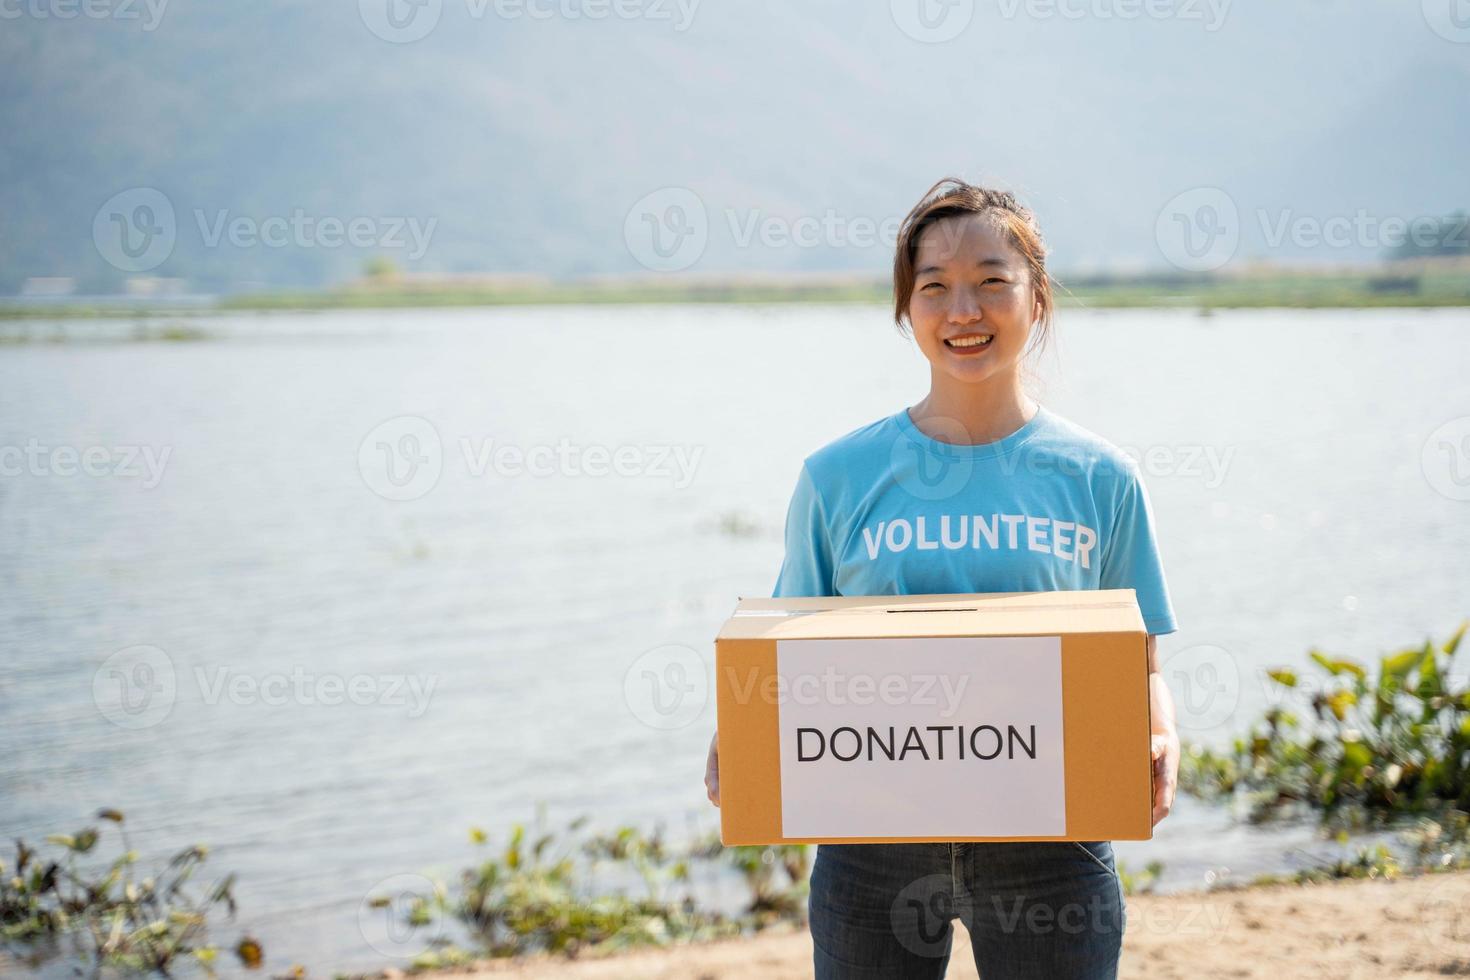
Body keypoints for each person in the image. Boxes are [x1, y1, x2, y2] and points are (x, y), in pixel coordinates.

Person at [703, 176, 1181, 979]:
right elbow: (783, 651)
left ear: (1037, 301)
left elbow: (1140, 662)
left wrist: (1164, 734)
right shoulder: (839, 476)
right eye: (936, 288)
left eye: (993, 282)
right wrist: (740, 734)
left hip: (1053, 842)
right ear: (906, 310)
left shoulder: (1102, 477)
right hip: (871, 843)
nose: (965, 311)